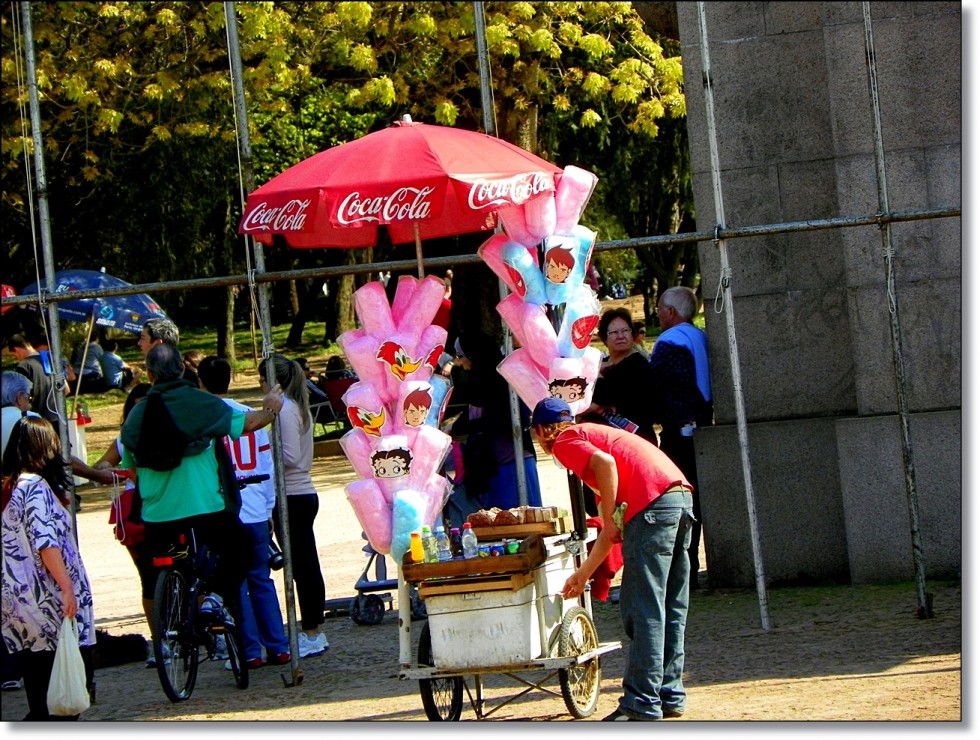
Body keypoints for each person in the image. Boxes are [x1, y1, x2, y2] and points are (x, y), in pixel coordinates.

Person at [530, 397, 695, 722]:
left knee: (644, 609)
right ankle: (669, 694)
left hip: (651, 505)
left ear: (540, 431)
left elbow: (605, 467)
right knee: (672, 606)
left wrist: (608, 515)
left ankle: (640, 704)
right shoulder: (597, 436)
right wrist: (583, 575)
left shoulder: (567, 440)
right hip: (679, 496)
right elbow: (611, 532)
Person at [118, 343, 284, 635]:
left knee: (173, 563)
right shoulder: (200, 403)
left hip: (157, 514)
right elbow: (250, 423)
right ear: (181, 369)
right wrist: (270, 407)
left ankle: (176, 628)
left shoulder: (136, 415)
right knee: (242, 548)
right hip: (204, 507)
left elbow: (130, 466)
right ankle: (214, 599)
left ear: (149, 374)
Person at [1, 416, 97, 720]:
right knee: (63, 694)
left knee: (39, 683)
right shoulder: (35, 487)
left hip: (18, 599)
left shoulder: (8, 486)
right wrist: (67, 589)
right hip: (48, 597)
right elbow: (46, 543)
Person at [197, 357, 290, 670]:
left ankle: (249, 650)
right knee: (261, 580)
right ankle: (278, 645)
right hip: (255, 507)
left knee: (235, 584)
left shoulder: (207, 419)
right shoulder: (252, 417)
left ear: (201, 382)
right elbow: (266, 466)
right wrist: (268, 509)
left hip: (226, 511)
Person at [258, 353, 329, 659]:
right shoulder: (294, 407)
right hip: (297, 493)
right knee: (304, 562)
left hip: (294, 494)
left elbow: (289, 455)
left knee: (303, 565)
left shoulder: (285, 410)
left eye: (262, 381)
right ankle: (313, 628)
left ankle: (312, 629)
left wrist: (266, 453)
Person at [649, 286, 714, 590]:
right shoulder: (700, 336)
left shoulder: (669, 342)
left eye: (660, 308)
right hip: (705, 427)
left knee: (679, 500)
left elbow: (657, 387)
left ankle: (684, 565)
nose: (657, 313)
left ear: (671, 312)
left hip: (679, 433)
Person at [92, 383, 158, 663]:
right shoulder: (124, 439)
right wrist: (110, 470)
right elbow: (100, 465)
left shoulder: (172, 431)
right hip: (138, 516)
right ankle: (161, 638)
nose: (141, 411)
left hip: (168, 505)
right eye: (136, 406)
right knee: (148, 579)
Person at [451, 332, 541, 510]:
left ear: (474, 355)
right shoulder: (478, 382)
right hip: (493, 466)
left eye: (461, 356)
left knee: (520, 525)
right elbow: (473, 412)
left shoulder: (501, 380)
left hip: (512, 466)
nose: (459, 362)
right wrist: (453, 426)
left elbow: (497, 421)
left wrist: (460, 427)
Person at [2, 371, 117, 491]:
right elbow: (59, 456)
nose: (30, 404)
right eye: (29, 398)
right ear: (20, 398)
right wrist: (97, 475)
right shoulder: (29, 419)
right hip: (28, 492)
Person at [584, 308, 659, 447]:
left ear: (632, 334)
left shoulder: (637, 365)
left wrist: (597, 374)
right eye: (614, 332)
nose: (621, 336)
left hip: (636, 442)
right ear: (604, 338)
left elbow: (604, 397)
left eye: (625, 330)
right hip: (606, 443)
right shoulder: (603, 363)